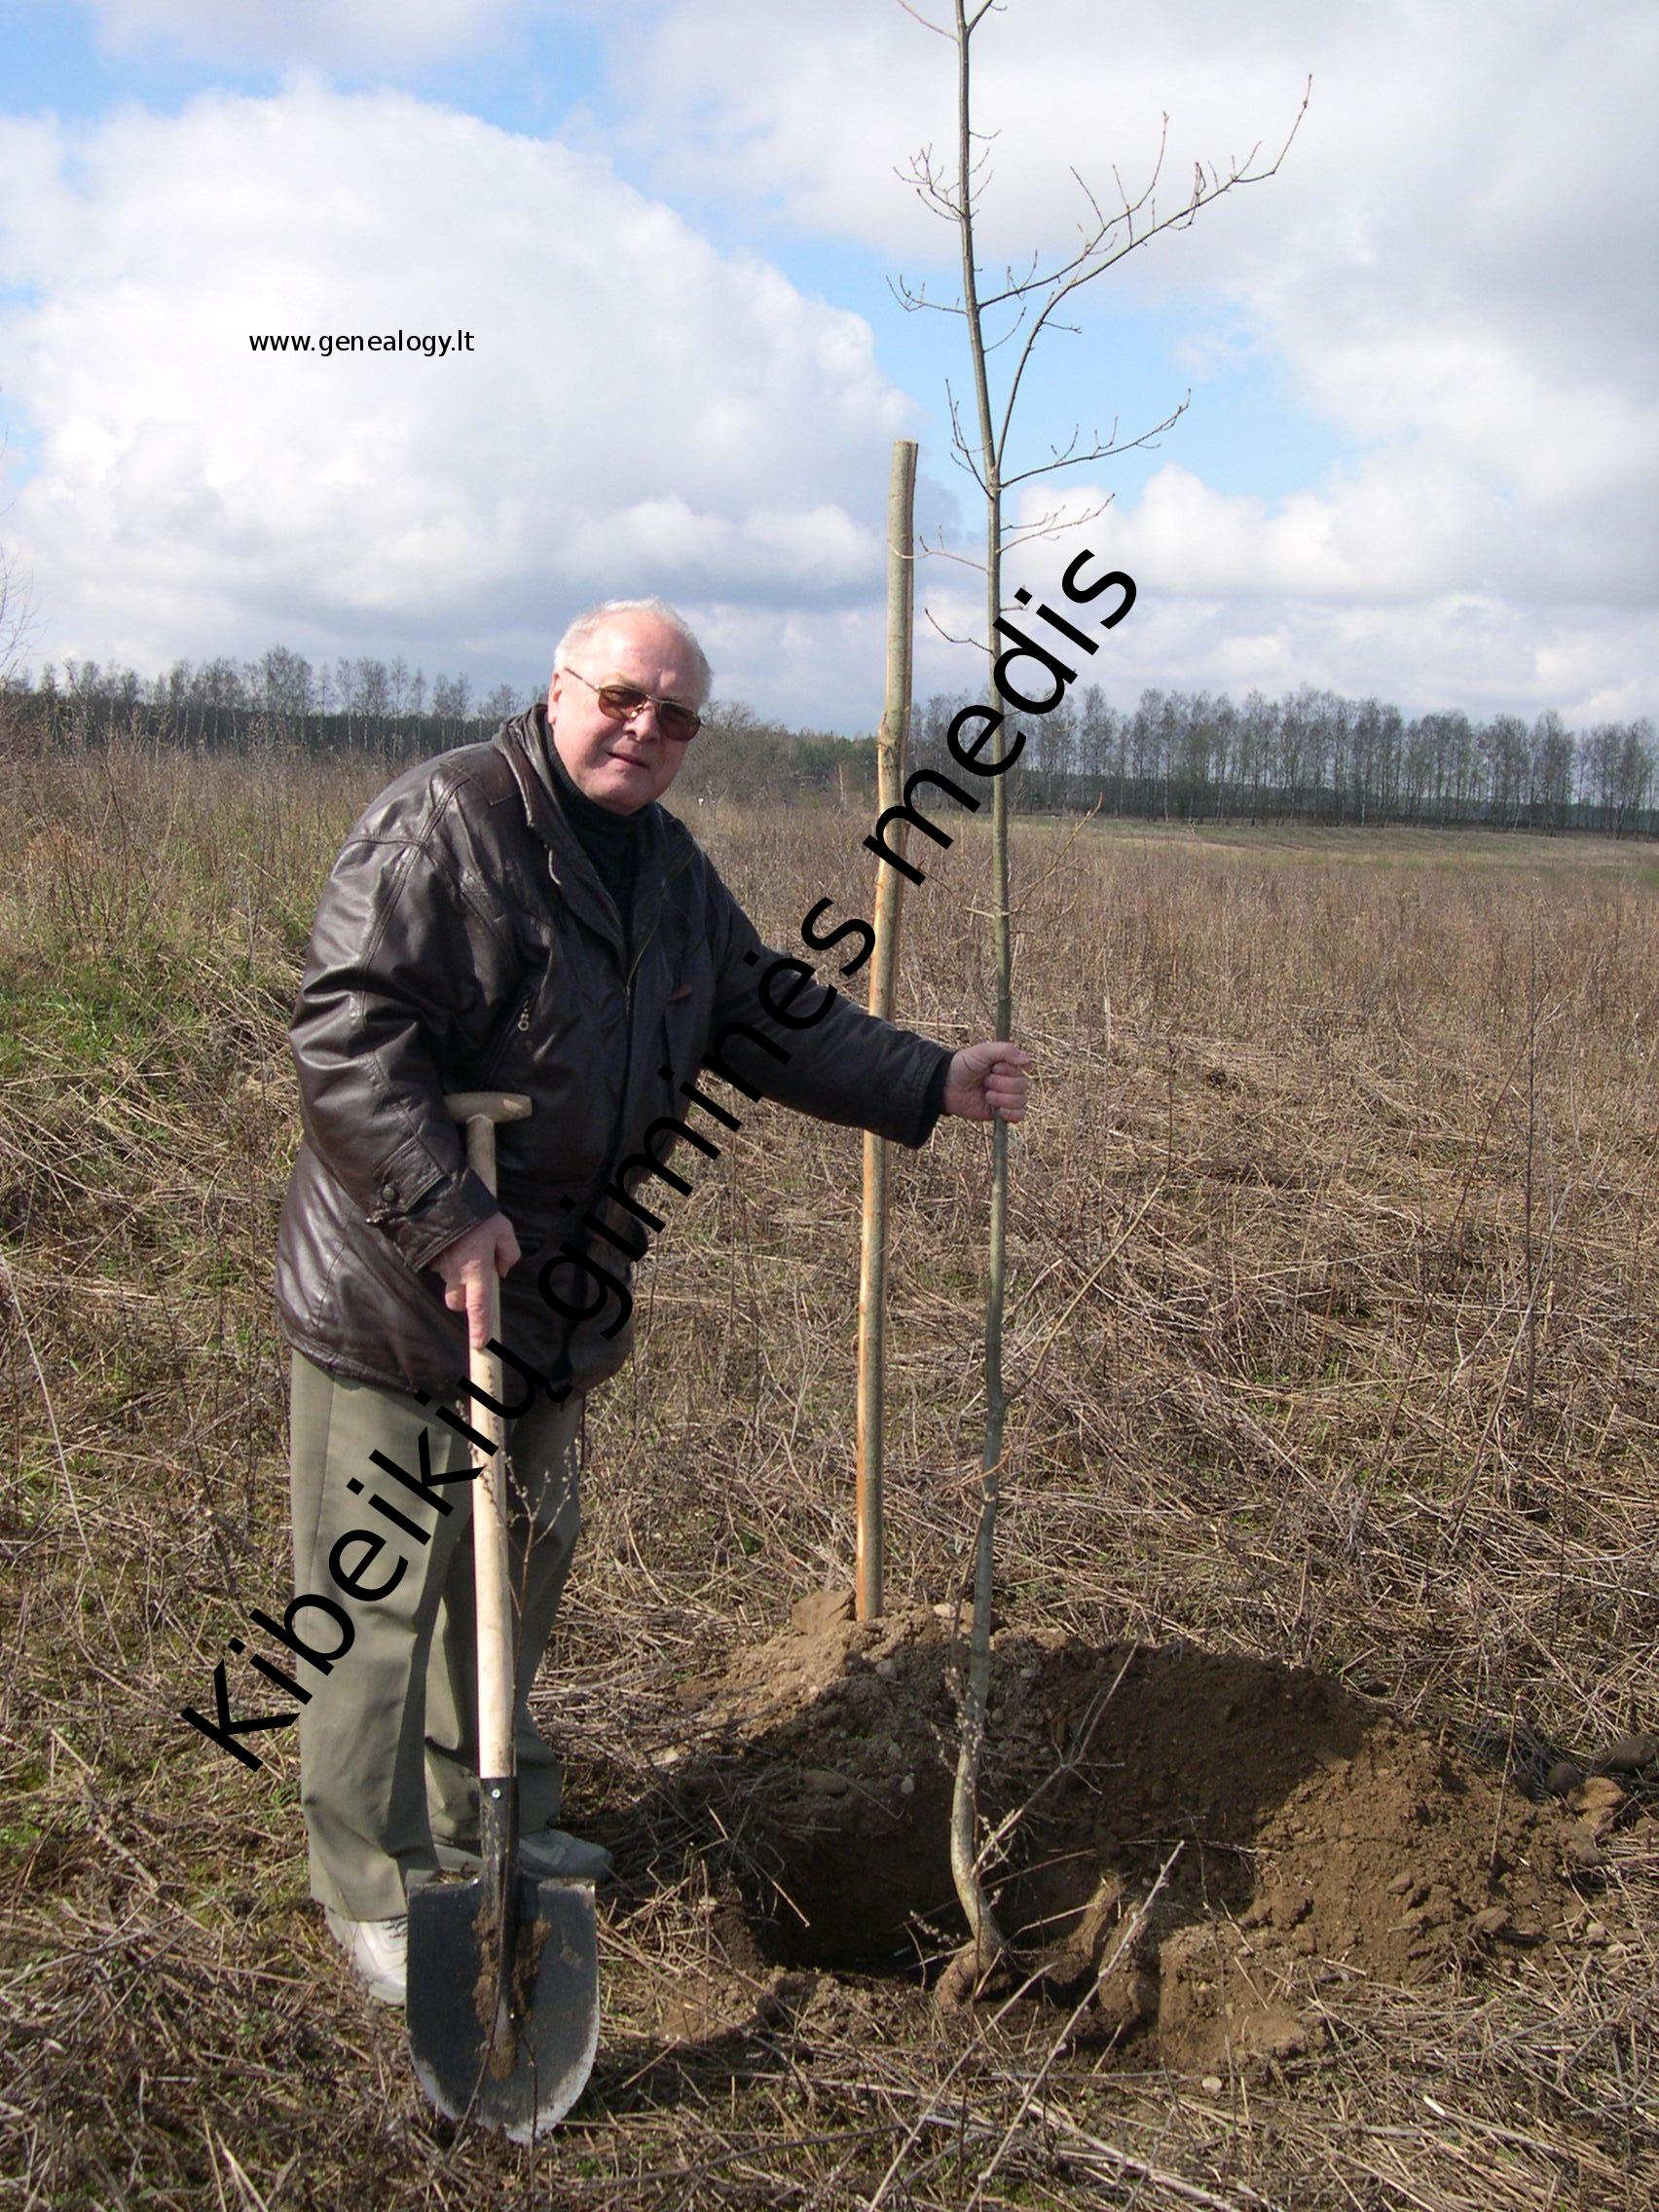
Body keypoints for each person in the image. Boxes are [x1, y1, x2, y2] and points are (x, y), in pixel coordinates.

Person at [274, 598, 1033, 2004]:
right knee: (382, 1598)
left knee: (517, 1564)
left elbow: (766, 1014)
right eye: (624, 697)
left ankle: (489, 1813)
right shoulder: (444, 824)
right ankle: (371, 1880)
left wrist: (931, 1077)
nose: (646, 729)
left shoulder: (666, 867)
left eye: (676, 715)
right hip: (404, 1287)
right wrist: (444, 1213)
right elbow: (347, 1034)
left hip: (555, 1295)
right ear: (560, 688)